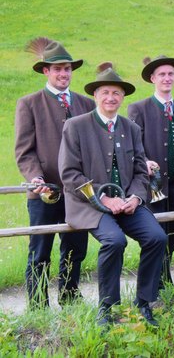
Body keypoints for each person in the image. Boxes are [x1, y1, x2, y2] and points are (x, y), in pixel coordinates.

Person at [59, 63, 167, 326]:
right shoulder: (75, 126)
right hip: (89, 204)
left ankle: (144, 302)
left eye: (116, 93)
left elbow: (142, 172)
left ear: (122, 98)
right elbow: (70, 174)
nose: (111, 98)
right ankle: (106, 308)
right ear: (96, 95)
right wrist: (103, 198)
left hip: (127, 203)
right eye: (105, 92)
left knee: (157, 237)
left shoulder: (131, 128)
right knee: (114, 241)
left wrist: (136, 198)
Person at [15, 38, 95, 308]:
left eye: (67, 69)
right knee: (39, 251)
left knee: (76, 249)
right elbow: (24, 151)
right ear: (45, 72)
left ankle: (70, 297)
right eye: (57, 69)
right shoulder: (29, 104)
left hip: (79, 194)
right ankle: (38, 305)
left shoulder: (86, 104)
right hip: (44, 193)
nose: (63, 74)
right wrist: (35, 178)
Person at [128, 55, 174, 288]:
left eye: (171, 74)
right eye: (162, 74)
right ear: (153, 78)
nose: (167, 78)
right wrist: (144, 161)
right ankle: (154, 281)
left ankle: (164, 276)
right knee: (156, 234)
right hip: (151, 185)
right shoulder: (139, 108)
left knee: (173, 233)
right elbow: (132, 144)